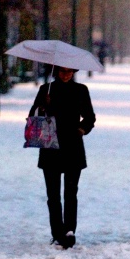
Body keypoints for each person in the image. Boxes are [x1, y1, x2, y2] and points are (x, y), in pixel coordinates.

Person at [29, 66, 96, 249]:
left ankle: (69, 231)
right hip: (50, 146)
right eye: (62, 71)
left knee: (70, 192)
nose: (66, 75)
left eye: (69, 71)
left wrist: (82, 129)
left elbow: (89, 117)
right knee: (53, 194)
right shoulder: (46, 89)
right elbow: (33, 116)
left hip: (72, 146)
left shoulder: (80, 90)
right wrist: (43, 105)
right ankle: (57, 232)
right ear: (56, 71)